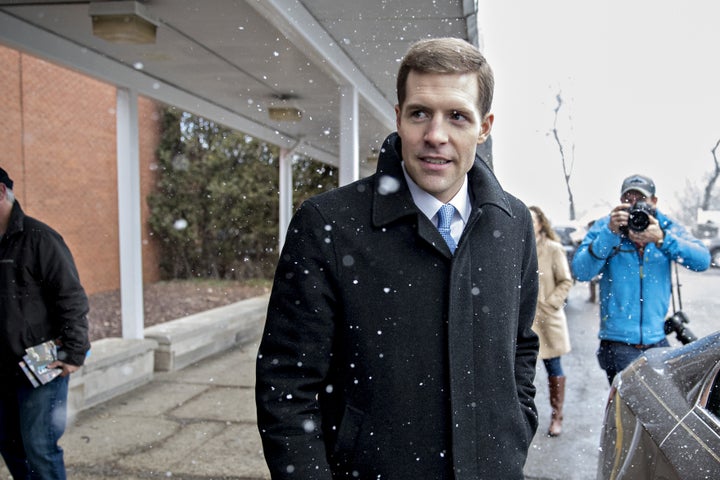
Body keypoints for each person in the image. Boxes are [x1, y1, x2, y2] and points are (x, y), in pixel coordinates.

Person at [255, 37, 539, 479]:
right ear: (398, 118)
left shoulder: (514, 222)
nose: (435, 136)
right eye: (420, 113)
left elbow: (520, 343)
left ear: (484, 127)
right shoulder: (327, 224)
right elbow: (287, 384)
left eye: (458, 116)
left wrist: (517, 425)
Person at [571, 174, 710, 385]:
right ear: (620, 202)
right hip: (618, 341)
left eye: (641, 199)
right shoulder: (607, 226)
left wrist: (662, 239)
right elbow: (581, 271)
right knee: (627, 411)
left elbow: (702, 261)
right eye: (628, 199)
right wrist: (609, 234)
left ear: (654, 201)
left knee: (659, 409)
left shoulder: (665, 227)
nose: (634, 205)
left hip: (657, 340)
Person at [0, 167, 90, 479]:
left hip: (41, 365)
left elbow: (71, 298)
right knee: (9, 445)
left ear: (1, 193)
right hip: (3, 367)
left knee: (40, 447)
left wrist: (74, 353)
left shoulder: (40, 238)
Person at [529, 206, 573, 437]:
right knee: (521, 371)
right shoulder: (517, 245)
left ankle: (557, 415)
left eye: (532, 219)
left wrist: (551, 302)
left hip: (548, 319)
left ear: (541, 223)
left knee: (553, 367)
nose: (528, 222)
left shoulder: (553, 249)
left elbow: (566, 281)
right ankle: (522, 418)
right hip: (525, 321)